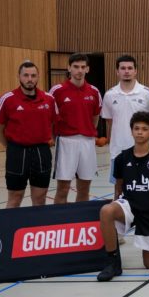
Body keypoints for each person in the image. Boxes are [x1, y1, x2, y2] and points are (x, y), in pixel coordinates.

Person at [97, 112, 149, 281]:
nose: (140, 132)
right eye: (136, 128)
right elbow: (119, 185)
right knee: (106, 211)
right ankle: (112, 263)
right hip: (130, 206)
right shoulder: (122, 158)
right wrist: (116, 202)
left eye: (144, 129)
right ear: (131, 131)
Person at [0, 61, 56, 208]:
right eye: (26, 75)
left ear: (38, 76)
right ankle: (11, 224)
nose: (29, 79)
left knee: (40, 198)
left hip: (42, 152)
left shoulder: (49, 99)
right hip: (17, 152)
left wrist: (48, 138)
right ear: (19, 77)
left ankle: (37, 224)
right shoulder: (7, 99)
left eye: (33, 75)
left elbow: (53, 123)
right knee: (15, 198)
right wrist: (11, 147)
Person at [48, 53, 102, 204]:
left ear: (88, 69)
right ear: (69, 68)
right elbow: (50, 118)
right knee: (63, 188)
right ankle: (60, 218)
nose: (79, 70)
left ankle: (81, 218)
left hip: (87, 142)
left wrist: (88, 133)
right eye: (76, 67)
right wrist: (54, 138)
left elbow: (95, 117)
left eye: (83, 67)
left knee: (84, 188)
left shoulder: (94, 91)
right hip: (65, 141)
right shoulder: (57, 90)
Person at [101, 55, 149, 183]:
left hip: (144, 151)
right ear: (117, 71)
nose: (126, 71)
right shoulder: (110, 95)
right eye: (123, 68)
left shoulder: (147, 93)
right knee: (119, 188)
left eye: (130, 68)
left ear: (135, 71)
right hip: (118, 151)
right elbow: (110, 122)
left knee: (144, 186)